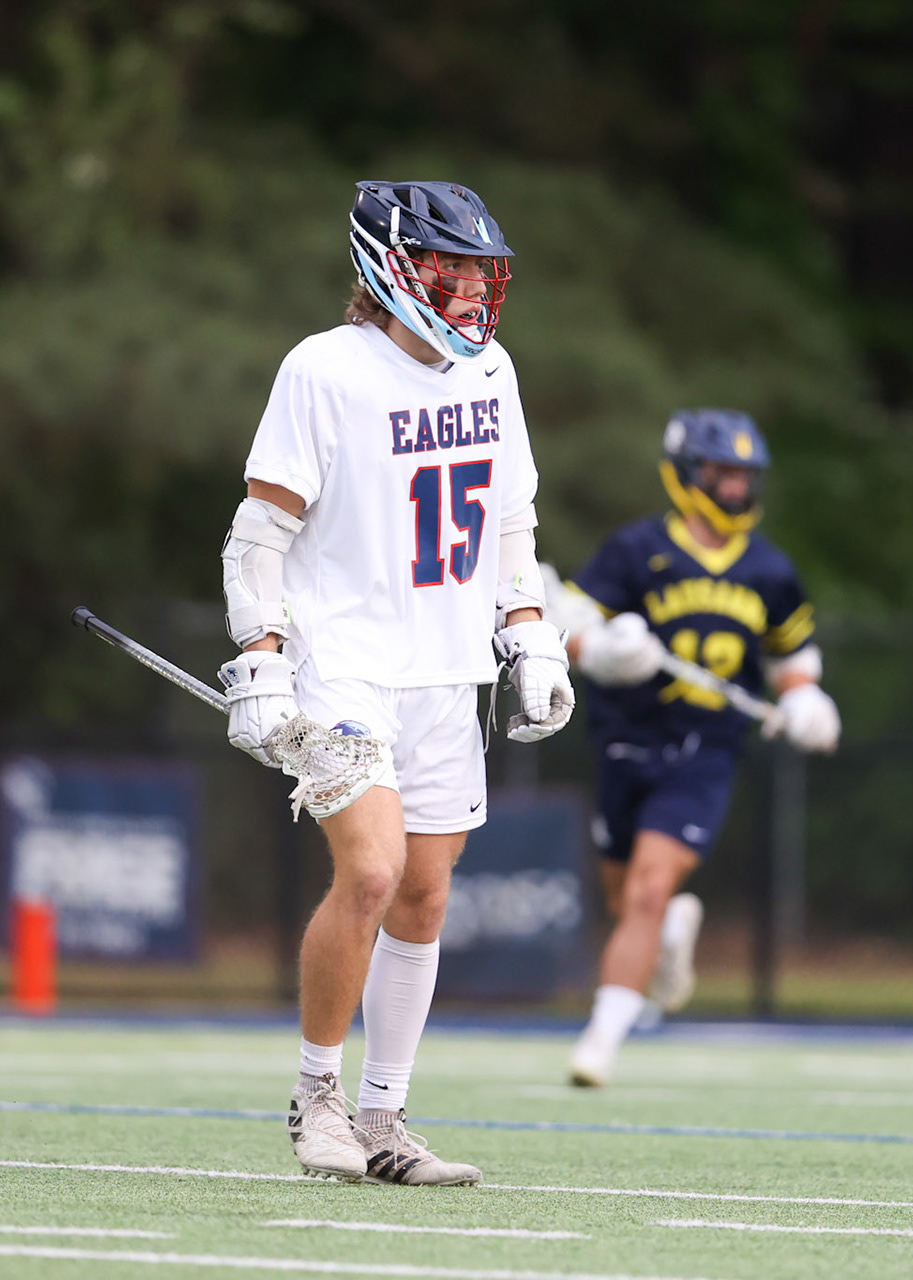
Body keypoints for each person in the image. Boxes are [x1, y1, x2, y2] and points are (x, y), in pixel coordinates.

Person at [219, 180, 573, 1184]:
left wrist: (530, 632)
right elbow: (259, 536)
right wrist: (263, 654)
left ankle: (383, 1117)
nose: (469, 290)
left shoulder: (492, 369)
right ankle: (318, 1097)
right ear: (390, 266)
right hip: (345, 664)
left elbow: (509, 521)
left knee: (423, 894)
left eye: (478, 272)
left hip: (446, 668)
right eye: (448, 268)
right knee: (370, 873)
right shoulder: (324, 369)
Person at [553, 409, 839, 1088]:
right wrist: (600, 651)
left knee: (648, 888)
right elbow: (564, 624)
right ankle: (671, 930)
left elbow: (792, 658)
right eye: (721, 473)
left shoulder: (769, 570)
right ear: (688, 473)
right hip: (625, 742)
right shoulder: (634, 550)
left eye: (744, 475)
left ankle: (601, 1042)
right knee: (629, 901)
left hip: (705, 750)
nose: (735, 487)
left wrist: (806, 699)